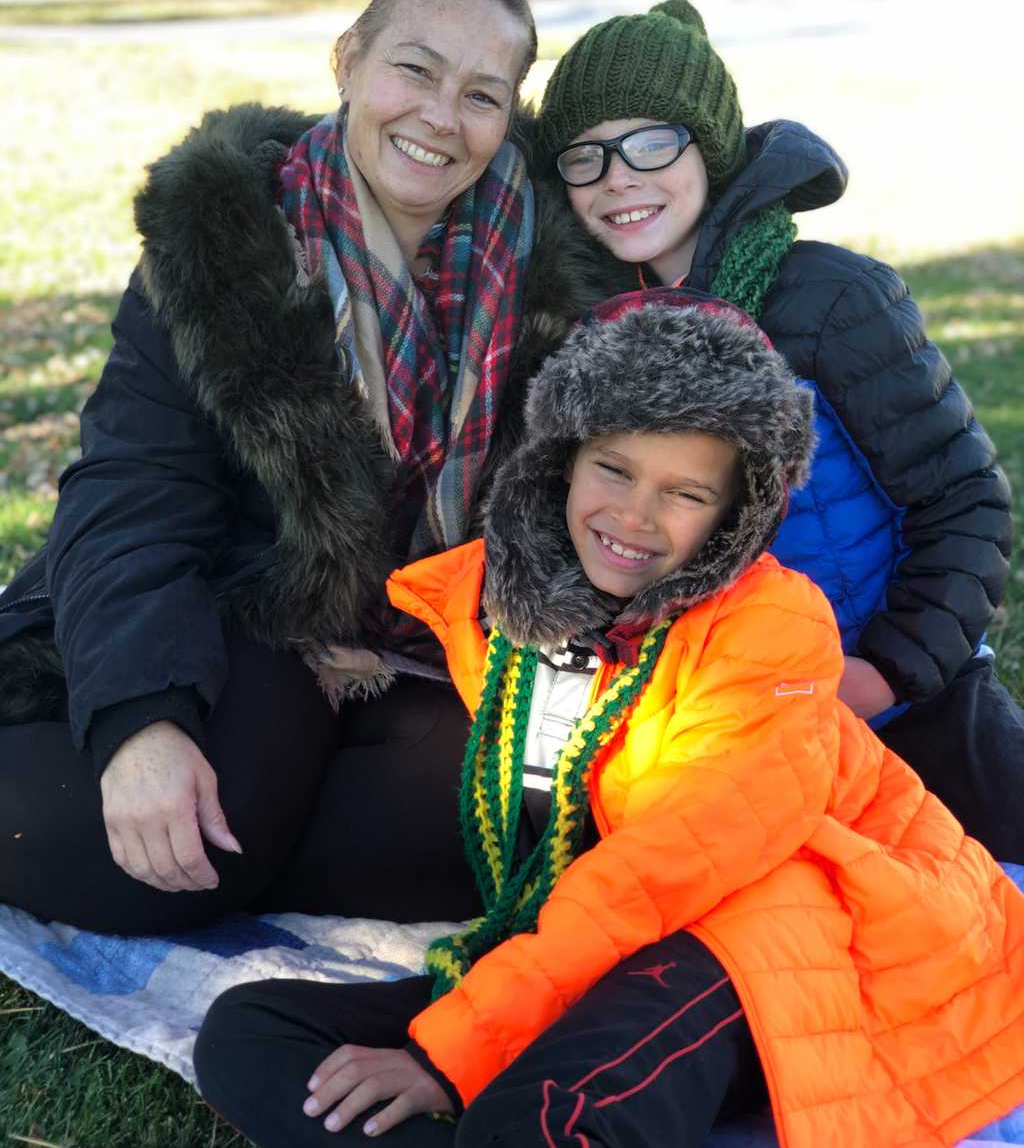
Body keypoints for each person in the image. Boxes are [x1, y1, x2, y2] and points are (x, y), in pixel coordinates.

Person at [193, 291, 1024, 1148]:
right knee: (251, 1033)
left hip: (800, 926)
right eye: (614, 469)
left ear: (736, 517)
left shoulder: (771, 630)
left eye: (685, 492)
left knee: (547, 1119)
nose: (633, 517)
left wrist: (452, 1055)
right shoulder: (505, 598)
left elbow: (660, 870)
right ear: (560, 460)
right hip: (611, 935)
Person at [0, 0, 631, 934]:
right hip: (236, 608)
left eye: (481, 95)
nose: (438, 117)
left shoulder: (558, 271)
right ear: (348, 59)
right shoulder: (225, 243)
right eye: (414, 69)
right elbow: (132, 494)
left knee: (513, 831)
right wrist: (139, 724)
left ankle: (266, 845)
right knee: (170, 845)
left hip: (430, 643)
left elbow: (699, 181)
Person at [529, 0, 1023, 862]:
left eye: (652, 143)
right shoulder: (595, 330)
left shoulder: (835, 300)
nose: (619, 177)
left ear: (709, 148)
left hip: (901, 696)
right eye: (586, 156)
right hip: (728, 722)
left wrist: (887, 673)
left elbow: (965, 501)